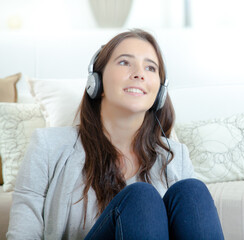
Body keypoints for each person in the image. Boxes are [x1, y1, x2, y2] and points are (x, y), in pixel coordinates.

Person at [7, 29, 224, 240]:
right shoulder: (47, 146)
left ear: (160, 92)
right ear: (97, 82)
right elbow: (23, 233)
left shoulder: (176, 156)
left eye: (150, 68)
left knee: (192, 192)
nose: (139, 73)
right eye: (124, 62)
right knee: (142, 198)